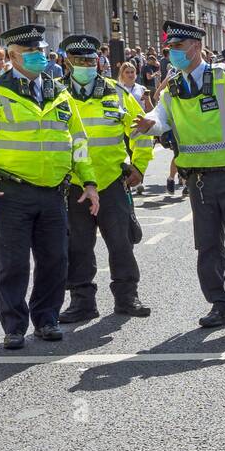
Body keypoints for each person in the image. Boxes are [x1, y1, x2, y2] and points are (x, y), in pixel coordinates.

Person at [134, 20, 225, 335]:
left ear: (195, 47)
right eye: (170, 49)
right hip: (198, 180)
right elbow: (161, 118)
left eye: (178, 48)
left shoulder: (224, 78)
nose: (173, 54)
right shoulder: (173, 88)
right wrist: (148, 122)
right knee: (208, 247)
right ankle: (221, 306)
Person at [0, 24, 98, 350]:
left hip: (54, 191)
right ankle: (14, 326)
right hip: (10, 191)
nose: (41, 57)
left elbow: (78, 141)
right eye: (32, 54)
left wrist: (89, 181)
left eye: (42, 52)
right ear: (12, 57)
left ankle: (47, 319)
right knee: (12, 262)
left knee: (55, 258)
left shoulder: (60, 92)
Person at [55, 33, 153, 323]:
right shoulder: (56, 94)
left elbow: (141, 130)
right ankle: (82, 301)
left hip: (112, 181)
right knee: (78, 245)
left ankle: (127, 297)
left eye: (90, 59)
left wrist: (139, 166)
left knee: (121, 242)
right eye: (79, 60)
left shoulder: (116, 92)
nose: (86, 64)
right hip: (73, 184)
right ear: (68, 62)